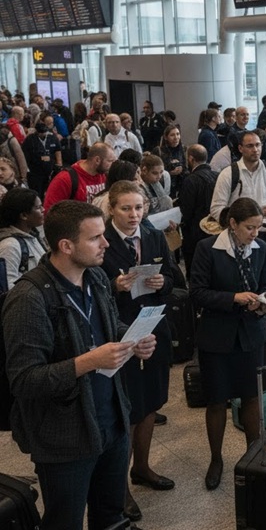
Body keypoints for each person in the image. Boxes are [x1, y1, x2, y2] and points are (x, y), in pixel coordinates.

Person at [3, 200, 157, 530]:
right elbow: (24, 380)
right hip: (64, 438)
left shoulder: (96, 277)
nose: (106, 244)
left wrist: (132, 340)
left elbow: (108, 326)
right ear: (66, 246)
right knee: (65, 521)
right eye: (96, 238)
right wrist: (87, 362)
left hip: (111, 422)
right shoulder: (29, 298)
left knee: (111, 517)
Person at [100, 181, 175, 522]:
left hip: (153, 327)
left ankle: (141, 467)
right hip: (119, 331)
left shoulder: (154, 236)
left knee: (151, 403)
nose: (134, 215)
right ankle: (119, 487)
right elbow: (88, 287)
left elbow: (173, 277)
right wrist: (113, 285)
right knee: (127, 411)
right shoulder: (101, 241)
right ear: (112, 209)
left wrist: (164, 282)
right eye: (126, 208)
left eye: (139, 208)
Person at [189, 198, 266, 491]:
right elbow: (197, 293)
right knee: (216, 400)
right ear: (233, 224)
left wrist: (261, 302)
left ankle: (253, 455)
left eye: (258, 228)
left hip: (250, 333)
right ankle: (216, 459)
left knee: (251, 397)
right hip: (217, 336)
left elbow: (264, 285)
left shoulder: (260, 248)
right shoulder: (207, 248)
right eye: (250, 228)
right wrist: (233, 298)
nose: (255, 234)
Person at [210, 130, 266, 225]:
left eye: (258, 145)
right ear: (240, 148)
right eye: (250, 146)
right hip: (237, 230)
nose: (255, 149)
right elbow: (216, 208)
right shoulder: (228, 174)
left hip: (264, 228)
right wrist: (242, 218)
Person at [178, 144, 219, 275]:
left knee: (196, 270)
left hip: (195, 234)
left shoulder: (191, 180)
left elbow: (186, 210)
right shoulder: (218, 176)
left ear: (191, 159)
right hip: (217, 230)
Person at [44, 142, 116, 213]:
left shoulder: (104, 175)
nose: (112, 165)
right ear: (97, 160)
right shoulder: (65, 179)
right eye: (110, 161)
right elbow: (49, 210)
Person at [0, 187, 47, 289]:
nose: (43, 210)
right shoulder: (10, 246)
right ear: (24, 215)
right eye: (38, 207)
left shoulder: (33, 235)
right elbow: (7, 286)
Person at [22, 119, 62, 198]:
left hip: (50, 170)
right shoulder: (30, 139)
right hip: (35, 171)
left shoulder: (52, 137)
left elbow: (57, 150)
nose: (43, 134)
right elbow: (25, 155)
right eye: (41, 133)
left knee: (50, 191)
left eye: (44, 132)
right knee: (37, 192)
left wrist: (59, 163)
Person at [153, 123, 187, 198]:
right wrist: (169, 173)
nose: (176, 137)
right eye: (172, 135)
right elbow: (153, 171)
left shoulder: (182, 148)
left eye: (178, 134)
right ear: (166, 137)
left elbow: (186, 166)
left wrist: (181, 169)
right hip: (164, 186)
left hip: (180, 184)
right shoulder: (159, 151)